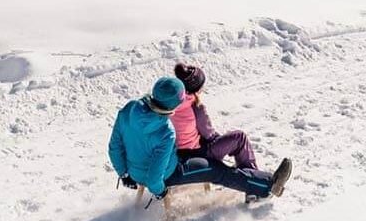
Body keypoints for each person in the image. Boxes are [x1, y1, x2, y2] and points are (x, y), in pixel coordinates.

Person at [110, 76, 290, 205]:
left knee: (206, 162)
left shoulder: (129, 110)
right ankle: (268, 185)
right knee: (217, 170)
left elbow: (114, 147)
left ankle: (254, 184)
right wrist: (160, 191)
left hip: (134, 171)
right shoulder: (165, 132)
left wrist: (124, 175)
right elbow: (155, 175)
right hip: (168, 174)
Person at [170, 63, 279, 178]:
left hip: (176, 152)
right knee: (239, 138)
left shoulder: (169, 103)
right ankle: (253, 179)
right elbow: (209, 135)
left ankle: (250, 176)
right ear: (196, 88)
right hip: (197, 154)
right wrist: (222, 142)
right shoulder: (196, 107)